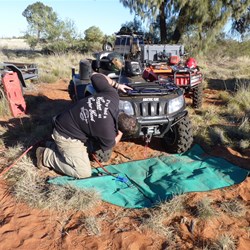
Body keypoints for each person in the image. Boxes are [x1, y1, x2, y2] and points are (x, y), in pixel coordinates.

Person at [36, 60, 135, 179]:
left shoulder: (112, 96)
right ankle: (45, 156)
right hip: (66, 135)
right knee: (83, 172)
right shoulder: (108, 133)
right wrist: (120, 134)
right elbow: (111, 144)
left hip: (65, 120)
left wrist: (117, 85)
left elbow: (95, 75)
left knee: (80, 152)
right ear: (118, 128)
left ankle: (52, 146)